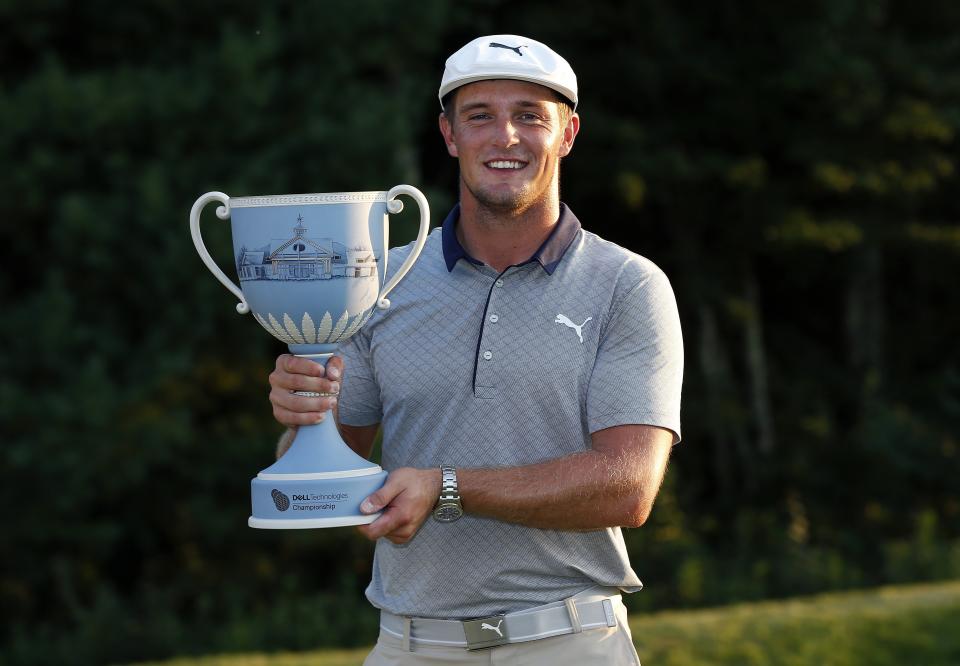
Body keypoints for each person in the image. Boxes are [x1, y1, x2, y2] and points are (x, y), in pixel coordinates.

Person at [268, 34, 683, 665]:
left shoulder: (628, 284)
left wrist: (448, 487)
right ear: (449, 134)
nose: (505, 137)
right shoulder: (378, 281)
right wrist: (304, 419)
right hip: (408, 642)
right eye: (480, 116)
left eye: (529, 116)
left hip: (568, 641)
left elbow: (626, 488)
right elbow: (329, 473)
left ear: (568, 133)